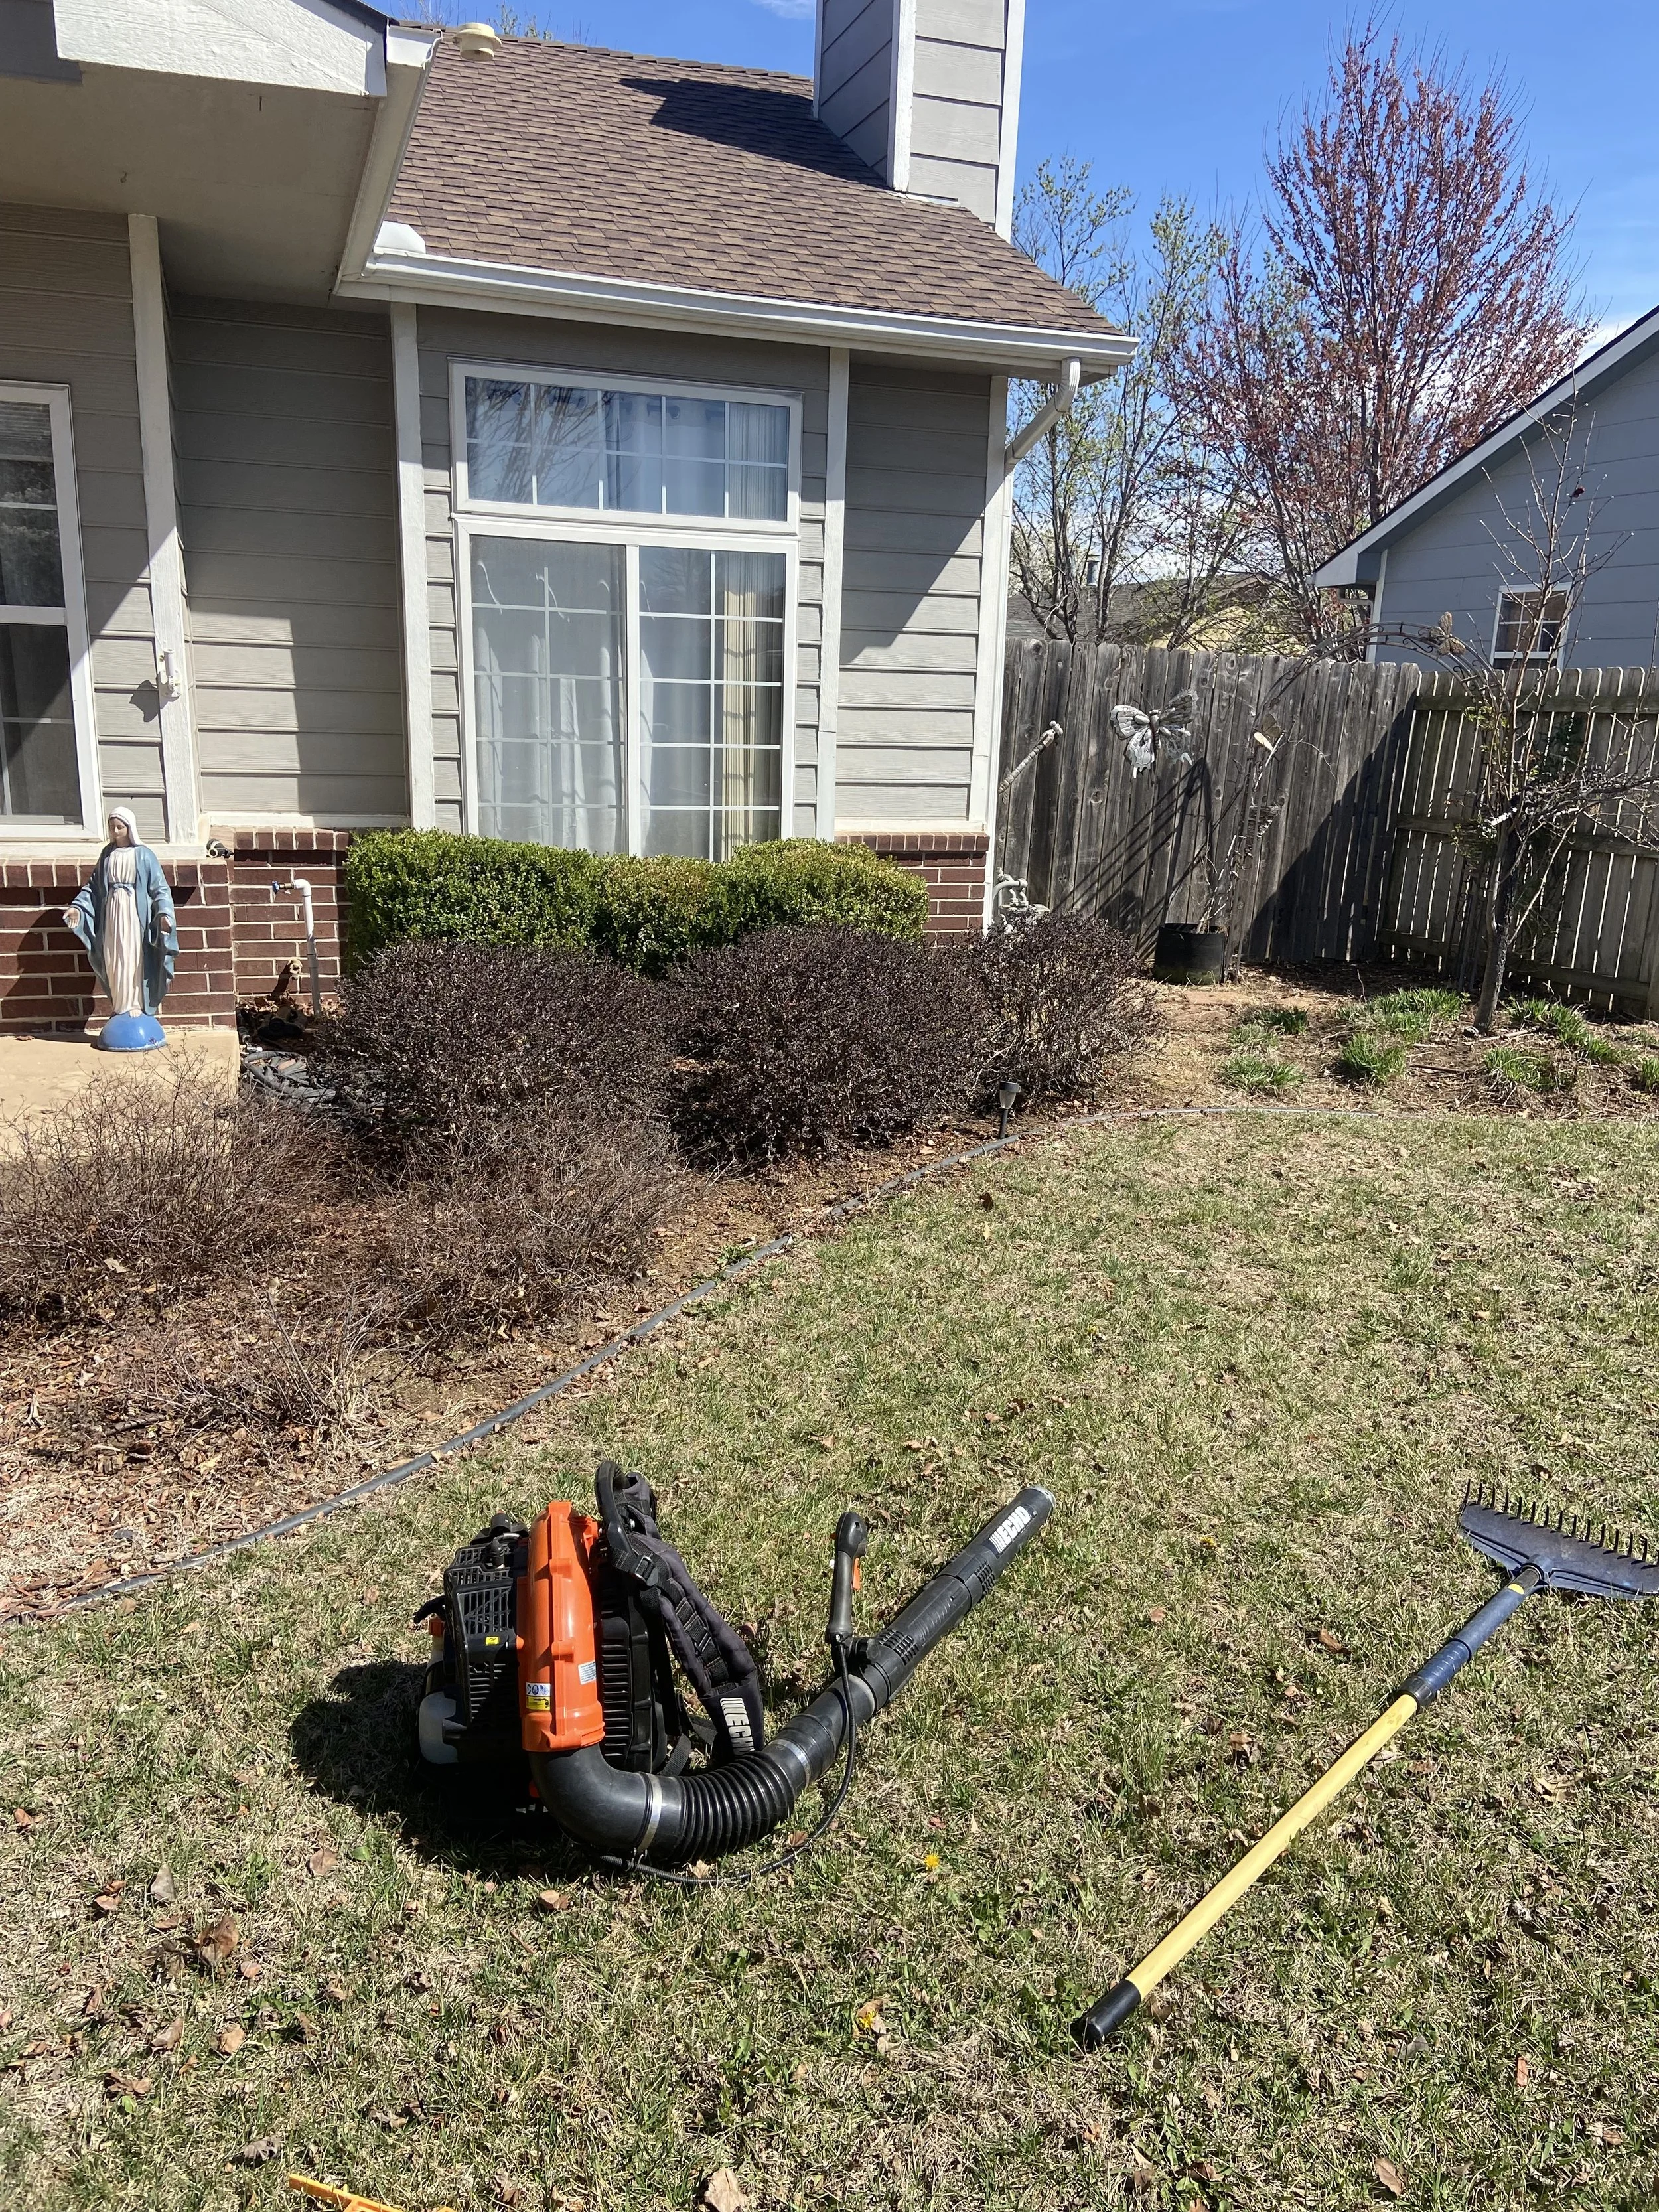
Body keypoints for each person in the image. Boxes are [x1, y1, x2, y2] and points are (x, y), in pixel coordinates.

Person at [62, 808, 178, 1031]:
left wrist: (164, 914)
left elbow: (160, 889)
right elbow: (93, 887)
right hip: (112, 915)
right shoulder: (107, 854)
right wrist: (78, 907)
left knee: (133, 956)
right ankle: (119, 1004)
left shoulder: (144, 855)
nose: (115, 831)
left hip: (135, 916)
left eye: (120, 827)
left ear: (129, 828)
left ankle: (136, 1003)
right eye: (112, 827)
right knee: (113, 957)